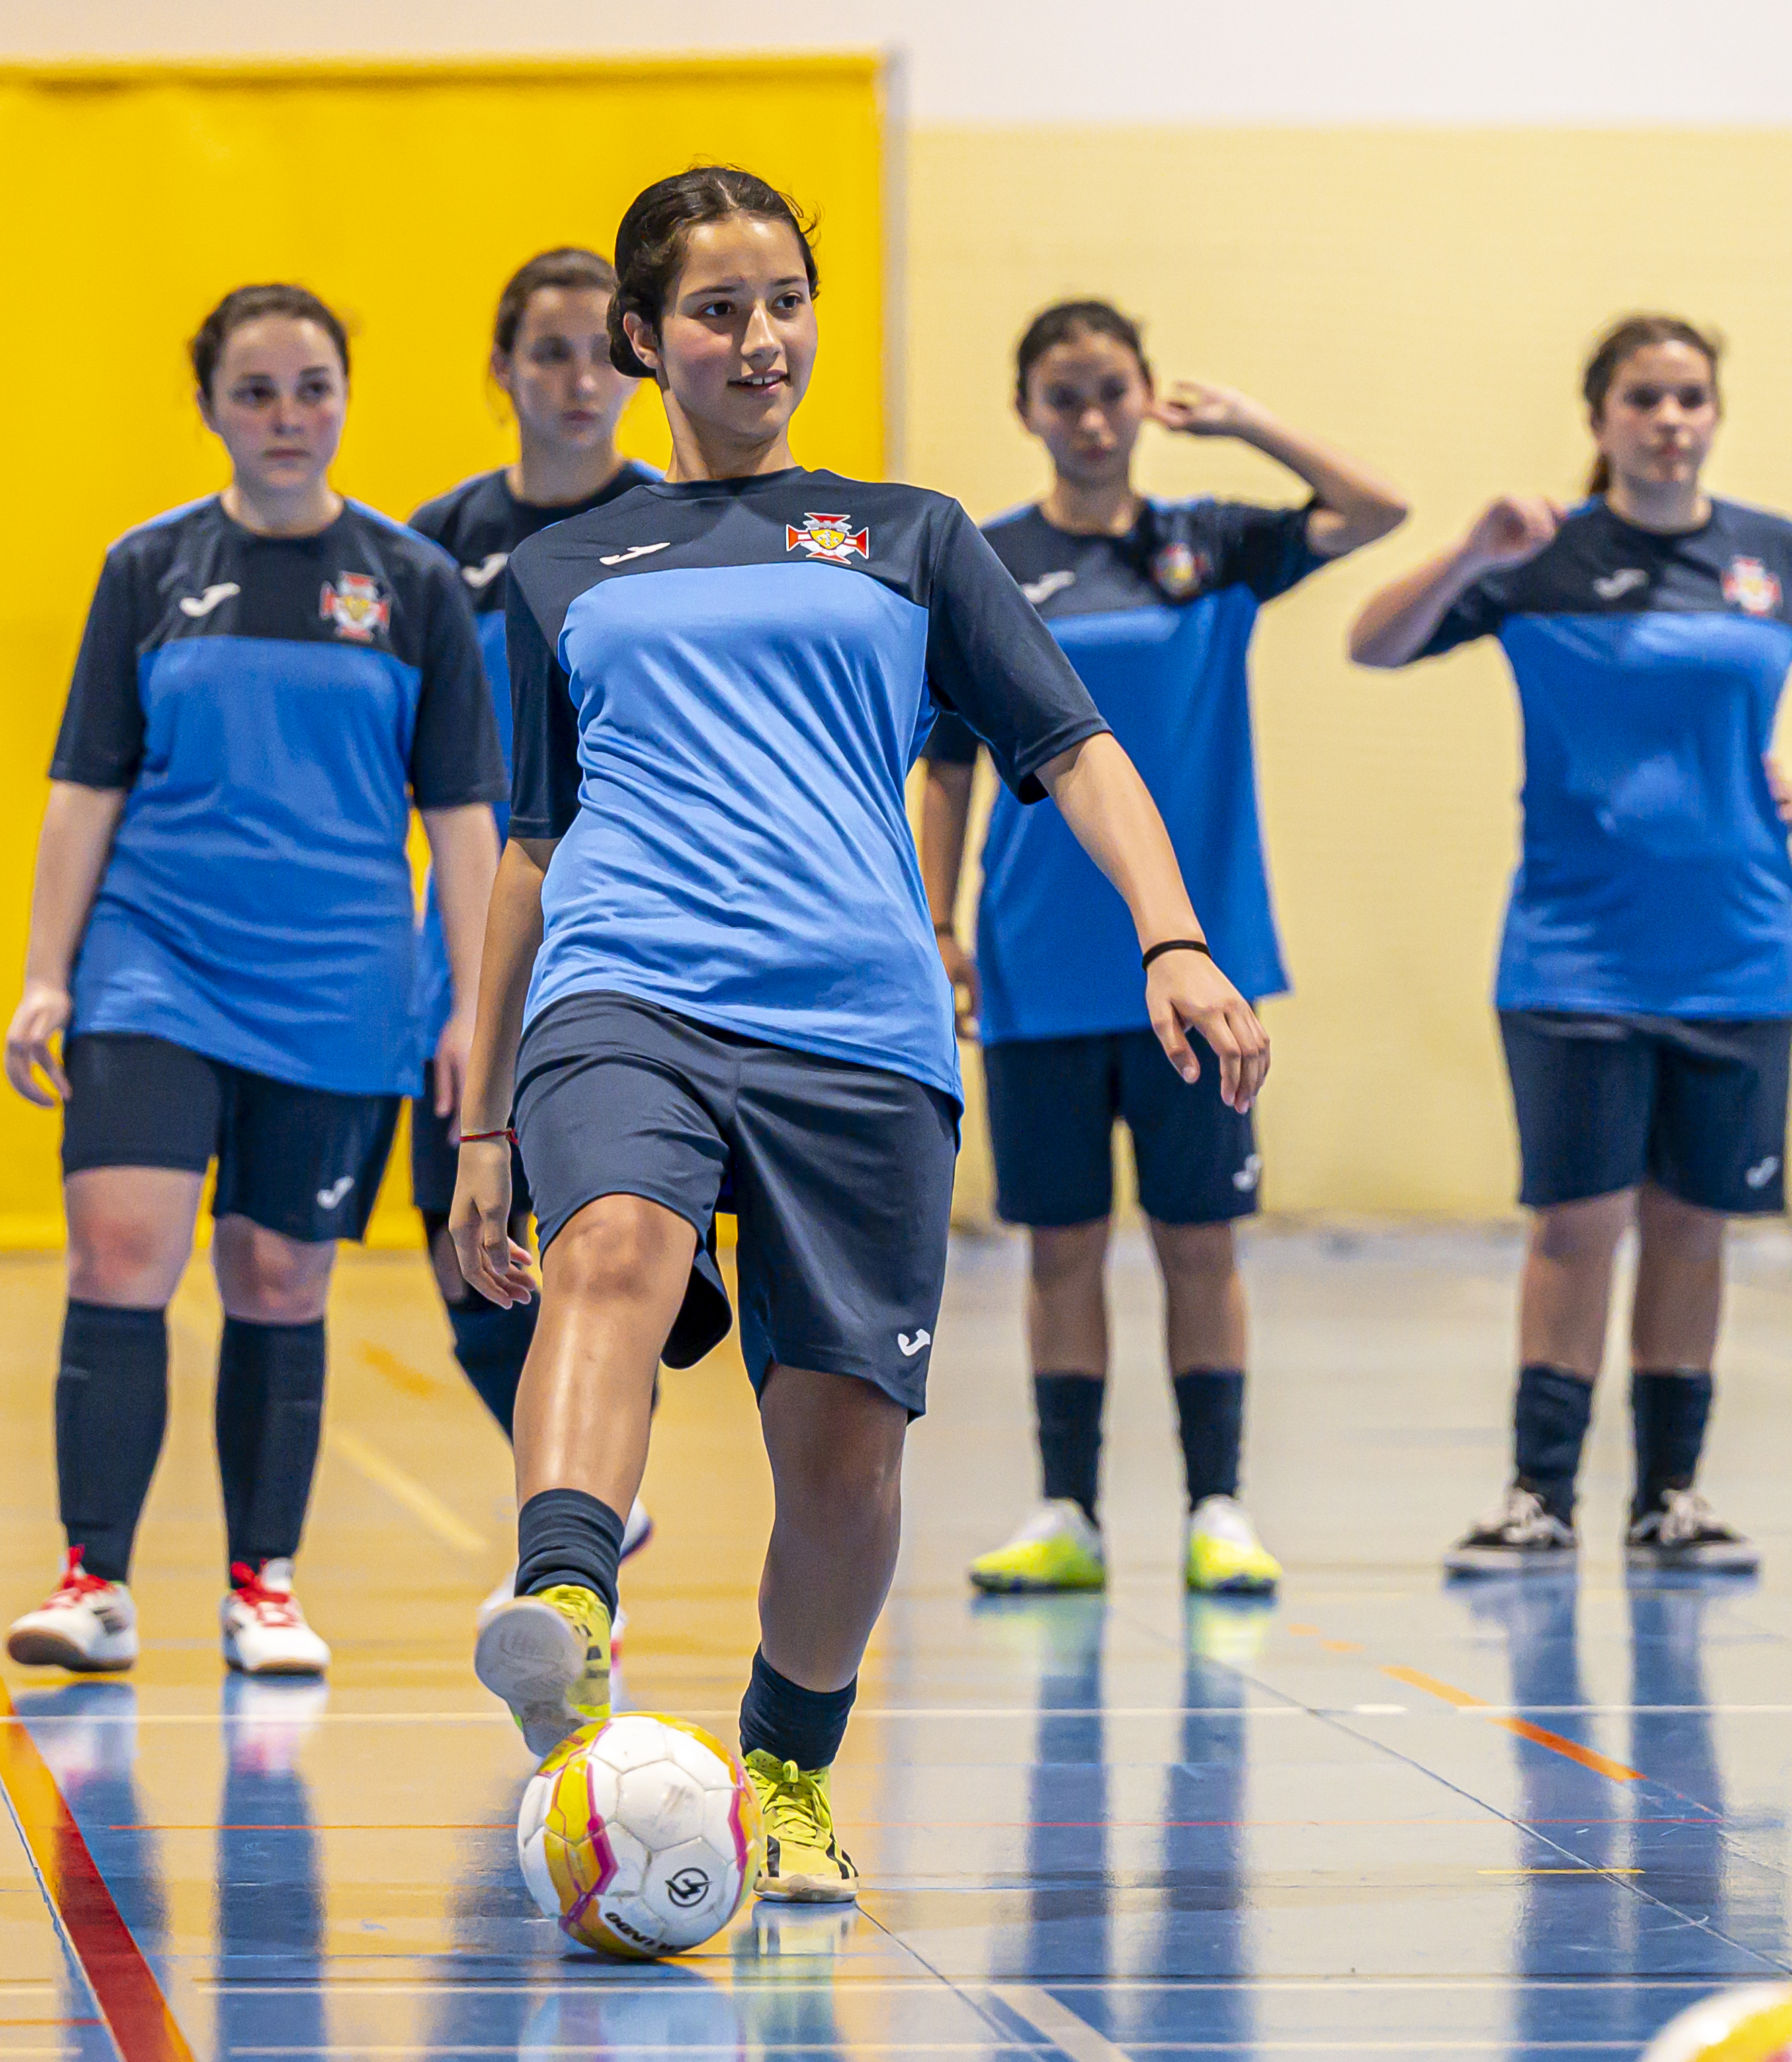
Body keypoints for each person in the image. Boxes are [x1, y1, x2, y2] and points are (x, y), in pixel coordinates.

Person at [447, 167, 1270, 1903]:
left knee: (842, 1449)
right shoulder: (557, 565)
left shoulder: (913, 535)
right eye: (716, 310)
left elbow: (1073, 746)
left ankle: (784, 1769)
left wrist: (1173, 936)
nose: (758, 339)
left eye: (783, 303)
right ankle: (568, 1600)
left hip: (856, 1024)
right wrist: (478, 1108)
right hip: (630, 982)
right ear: (643, 343)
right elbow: (530, 840)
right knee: (611, 1245)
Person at [0, 283, 504, 1675]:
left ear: (347, 398)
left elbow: (462, 814)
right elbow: (82, 786)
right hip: (152, 965)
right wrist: (48, 976)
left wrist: (472, 1004)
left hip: (340, 985)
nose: (287, 416)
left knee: (281, 1277)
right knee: (122, 1252)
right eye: (256, 391)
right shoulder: (147, 569)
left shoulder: (411, 588)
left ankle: (261, 1582)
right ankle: (93, 1577)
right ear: (212, 403)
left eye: (312, 388)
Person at [1346, 314, 1792, 1577]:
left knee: (1694, 1225)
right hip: (1572, 956)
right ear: (1598, 419)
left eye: (1690, 396)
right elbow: (1372, 642)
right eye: (1643, 398)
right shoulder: (1541, 555)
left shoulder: (1777, 558)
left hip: (1739, 953)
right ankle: (1539, 1493)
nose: (1669, 419)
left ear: (1715, 412)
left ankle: (1673, 1495)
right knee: (1577, 1223)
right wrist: (1466, 553)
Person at [921, 298, 1404, 1600]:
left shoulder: (1210, 542)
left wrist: (1246, 422)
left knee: (1201, 1239)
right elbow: (948, 766)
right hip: (1035, 963)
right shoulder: (983, 558)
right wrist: (940, 924)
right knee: (1060, 1243)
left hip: (1199, 963)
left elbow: (1377, 511)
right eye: (1062, 395)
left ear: (1144, 397)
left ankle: (1217, 1504)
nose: (1088, 418)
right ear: (1026, 409)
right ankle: (1067, 1508)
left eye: (1109, 391)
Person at [403, 249, 664, 1608]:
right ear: (501, 368)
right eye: (546, 353)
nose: (577, 383)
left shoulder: (673, 526)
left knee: (603, 1253)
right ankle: (585, 1501)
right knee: (466, 1255)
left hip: (619, 941)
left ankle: (573, 1546)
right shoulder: (429, 545)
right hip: (471, 942)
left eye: (597, 356)